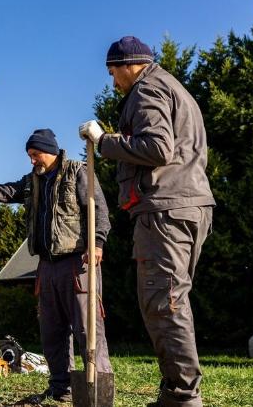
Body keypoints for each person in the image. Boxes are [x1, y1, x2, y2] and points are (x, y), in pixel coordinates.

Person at [79, 36, 215, 407]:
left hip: (165, 210)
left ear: (129, 64)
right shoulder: (174, 88)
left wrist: (104, 141)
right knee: (169, 298)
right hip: (187, 206)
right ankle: (177, 391)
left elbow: (157, 147)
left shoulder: (147, 90)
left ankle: (183, 397)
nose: (113, 82)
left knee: (163, 301)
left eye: (113, 72)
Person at [0, 128, 113, 403]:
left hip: (77, 263)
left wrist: (97, 243)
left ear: (49, 150)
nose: (32, 160)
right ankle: (61, 386)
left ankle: (99, 390)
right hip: (47, 265)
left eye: (35, 154)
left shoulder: (77, 172)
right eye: (29, 155)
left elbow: (99, 209)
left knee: (87, 329)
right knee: (52, 331)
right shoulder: (31, 181)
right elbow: (4, 191)